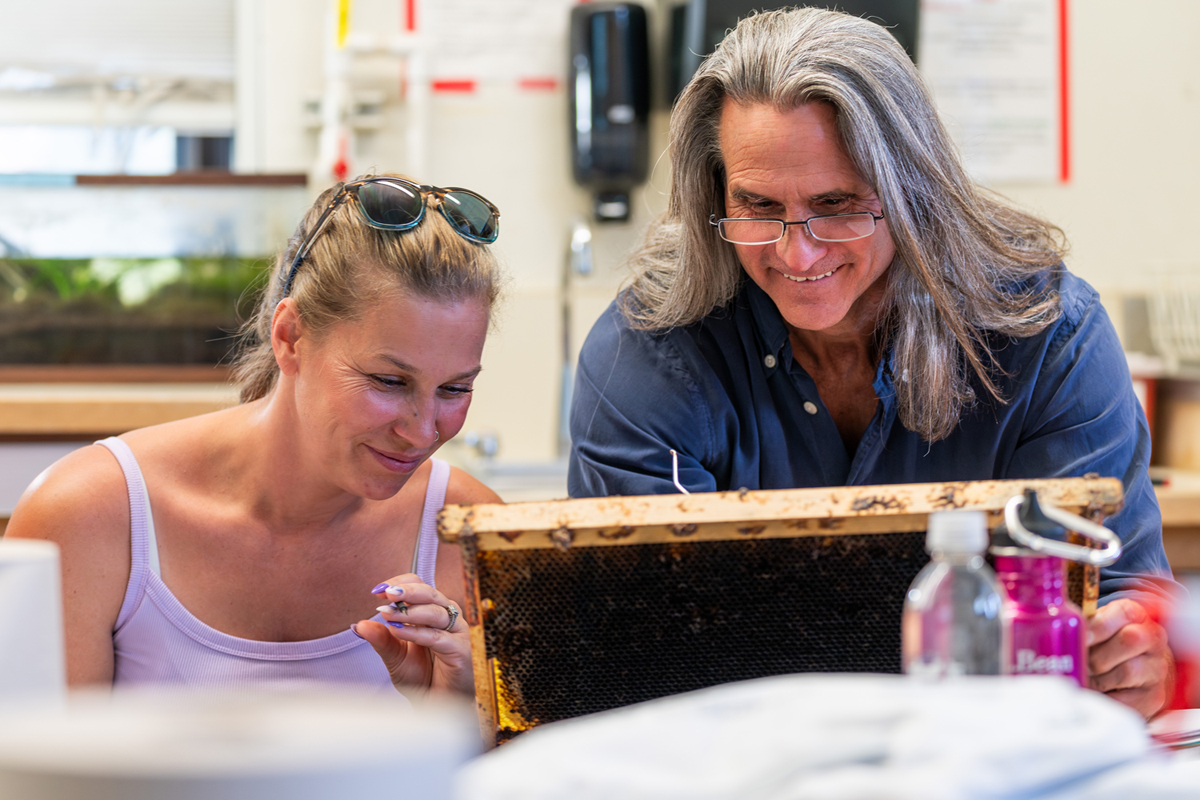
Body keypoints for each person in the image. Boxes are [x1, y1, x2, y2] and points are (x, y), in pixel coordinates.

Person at [568, 8, 1176, 718]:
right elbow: (643, 639)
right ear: (714, 194)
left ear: (913, 188)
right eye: (757, 206)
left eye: (837, 205)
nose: (797, 254)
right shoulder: (652, 347)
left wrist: (1135, 652)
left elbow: (1121, 590)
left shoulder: (1045, 337)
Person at [6, 173, 503, 699]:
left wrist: (456, 712)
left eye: (454, 388)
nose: (423, 430)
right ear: (290, 337)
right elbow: (28, 773)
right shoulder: (90, 515)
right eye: (388, 381)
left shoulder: (473, 534)